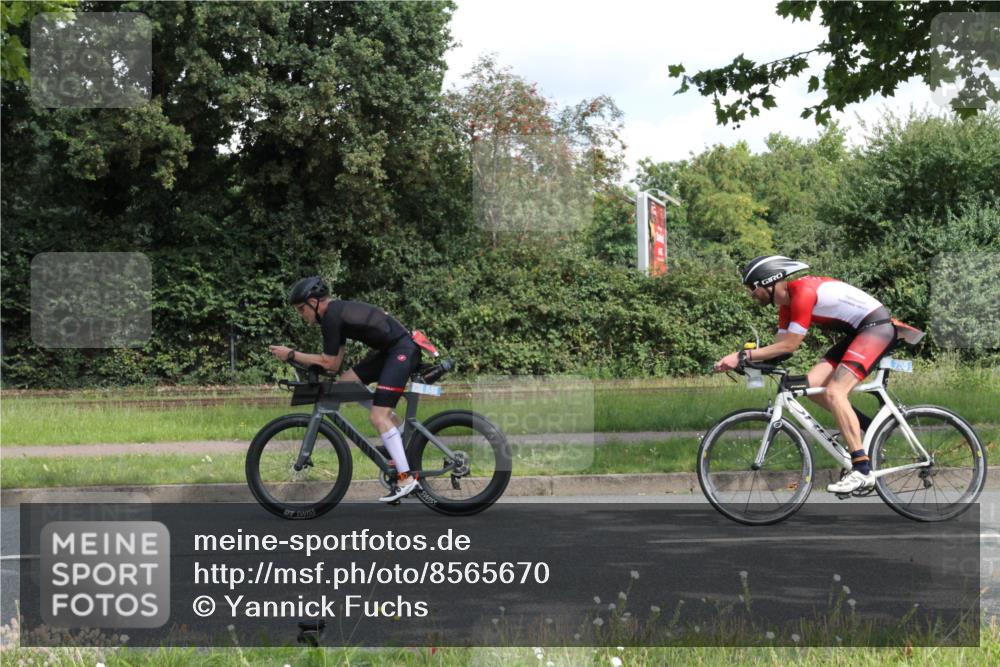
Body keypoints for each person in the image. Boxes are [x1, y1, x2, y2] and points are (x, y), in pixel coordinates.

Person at [714, 256, 899, 494]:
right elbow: (780, 349)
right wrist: (748, 362)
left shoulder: (802, 292)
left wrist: (741, 356)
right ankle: (872, 429)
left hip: (876, 328)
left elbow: (790, 345)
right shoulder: (786, 306)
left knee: (834, 392)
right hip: (859, 333)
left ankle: (862, 470)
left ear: (768, 282)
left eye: (753, 287)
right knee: (812, 387)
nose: (751, 294)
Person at [270, 276, 422, 503]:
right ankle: (395, 431)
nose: (301, 315)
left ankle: (405, 478)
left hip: (401, 351)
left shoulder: (331, 316)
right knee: (346, 383)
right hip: (392, 350)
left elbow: (328, 363)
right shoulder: (333, 316)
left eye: (302, 309)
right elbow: (335, 365)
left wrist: (292, 354)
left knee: (377, 416)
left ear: (314, 302)